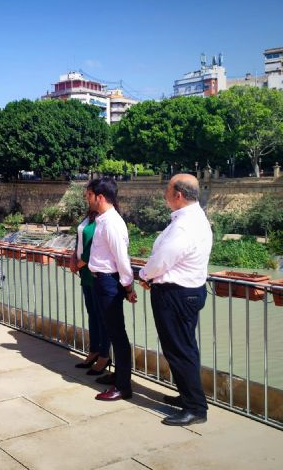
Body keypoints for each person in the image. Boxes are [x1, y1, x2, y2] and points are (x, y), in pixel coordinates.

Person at [138, 174, 212, 426]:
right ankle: (190, 398)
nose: (164, 194)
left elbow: (162, 259)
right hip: (187, 292)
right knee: (184, 348)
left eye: (167, 189)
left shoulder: (183, 226)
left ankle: (195, 408)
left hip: (176, 294)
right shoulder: (195, 218)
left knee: (179, 350)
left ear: (178, 195)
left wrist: (144, 275)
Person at [86, 177, 137, 401]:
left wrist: (128, 287)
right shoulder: (103, 220)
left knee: (118, 335)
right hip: (101, 280)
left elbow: (122, 260)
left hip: (109, 282)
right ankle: (118, 376)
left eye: (89, 195)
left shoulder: (113, 224)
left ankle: (123, 386)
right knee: (111, 330)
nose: (87, 199)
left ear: (100, 197)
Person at [70, 208, 111, 375]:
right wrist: (73, 258)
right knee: (92, 314)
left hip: (95, 272)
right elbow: (79, 241)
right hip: (86, 274)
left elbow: (94, 246)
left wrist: (79, 263)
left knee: (102, 317)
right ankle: (94, 350)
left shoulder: (104, 219)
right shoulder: (88, 216)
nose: (87, 197)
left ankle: (104, 355)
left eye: (90, 194)